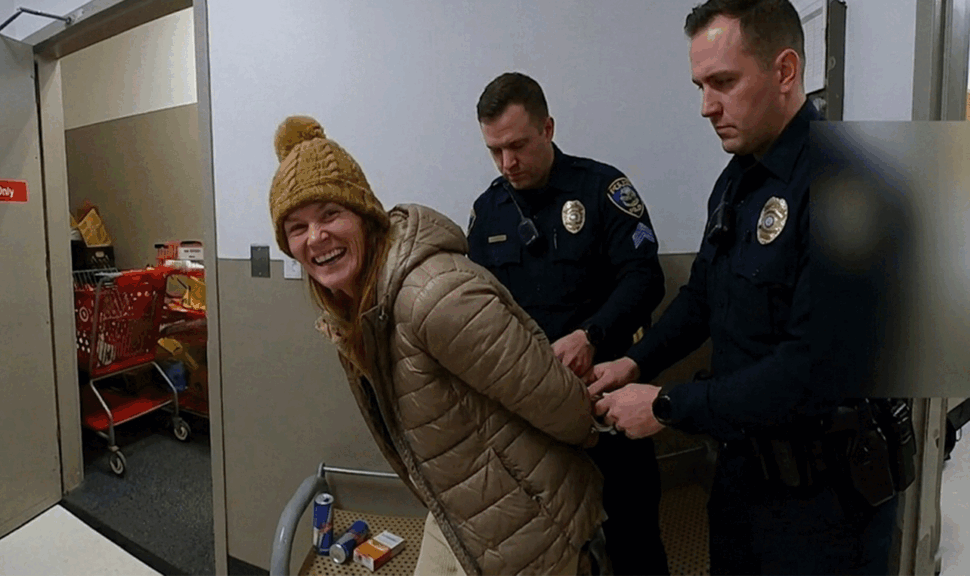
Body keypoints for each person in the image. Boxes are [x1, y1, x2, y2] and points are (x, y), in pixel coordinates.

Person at [588, 1, 904, 574]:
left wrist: (666, 404)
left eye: (723, 82)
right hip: (742, 478)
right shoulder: (736, 182)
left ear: (785, 72)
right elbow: (701, 299)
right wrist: (634, 362)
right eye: (700, 85)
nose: (707, 107)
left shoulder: (850, 182)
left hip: (828, 504)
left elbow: (811, 370)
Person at [267, 115, 606, 575]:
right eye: (297, 227)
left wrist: (586, 433)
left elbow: (558, 400)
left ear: (364, 217)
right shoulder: (357, 312)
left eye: (330, 214)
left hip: (533, 521)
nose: (316, 237)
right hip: (460, 510)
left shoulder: (433, 297)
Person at [467, 72, 669, 576]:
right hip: (532, 411)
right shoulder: (488, 211)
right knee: (546, 542)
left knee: (634, 535)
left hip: (608, 397)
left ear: (548, 128)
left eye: (517, 145)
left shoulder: (603, 189)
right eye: (494, 150)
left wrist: (592, 334)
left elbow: (646, 278)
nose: (507, 163)